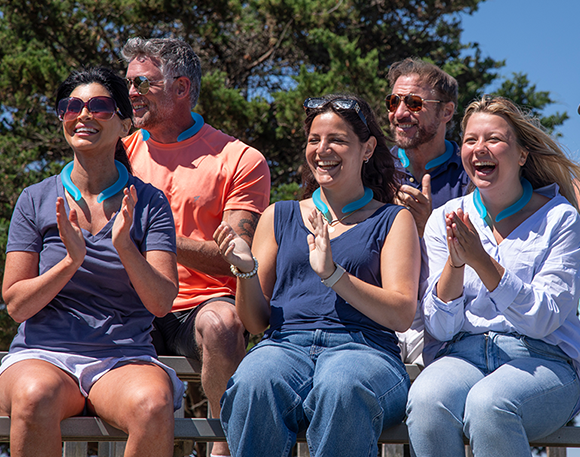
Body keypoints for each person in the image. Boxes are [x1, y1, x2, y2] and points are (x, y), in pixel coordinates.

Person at [213, 94, 421, 457]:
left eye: (337, 140)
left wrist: (334, 275)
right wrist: (246, 272)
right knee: (253, 380)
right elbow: (255, 322)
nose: (322, 150)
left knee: (341, 385)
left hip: (364, 351)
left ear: (367, 148)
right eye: (314, 140)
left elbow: (401, 313)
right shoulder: (279, 215)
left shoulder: (393, 220)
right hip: (284, 346)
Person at [0, 67, 184, 457]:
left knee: (153, 405)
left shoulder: (149, 203)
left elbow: (161, 302)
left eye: (99, 106)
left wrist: (125, 247)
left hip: (123, 359)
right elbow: (17, 305)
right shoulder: (35, 199)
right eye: (72, 106)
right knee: (34, 398)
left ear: (124, 124)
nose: (83, 115)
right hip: (43, 355)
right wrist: (70, 262)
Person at [406, 96, 580, 457]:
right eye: (470, 140)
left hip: (545, 359)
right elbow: (439, 328)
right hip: (462, 354)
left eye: (494, 139)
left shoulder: (560, 219)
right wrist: (456, 265)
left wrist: (482, 262)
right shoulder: (446, 217)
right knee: (425, 400)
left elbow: (543, 319)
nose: (479, 149)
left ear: (521, 155)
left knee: (489, 405)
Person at [121, 37, 270, 456]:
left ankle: (225, 448)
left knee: (223, 325)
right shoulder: (117, 154)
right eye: (128, 82)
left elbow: (234, 260)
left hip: (201, 304)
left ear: (181, 88)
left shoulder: (240, 159)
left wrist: (157, 235)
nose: (130, 92)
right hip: (134, 302)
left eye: (142, 83)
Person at [386, 57, 470, 365]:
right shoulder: (372, 170)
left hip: (449, 323)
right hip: (382, 317)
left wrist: (427, 228)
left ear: (447, 111)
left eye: (414, 103)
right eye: (393, 101)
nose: (399, 113)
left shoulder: (475, 172)